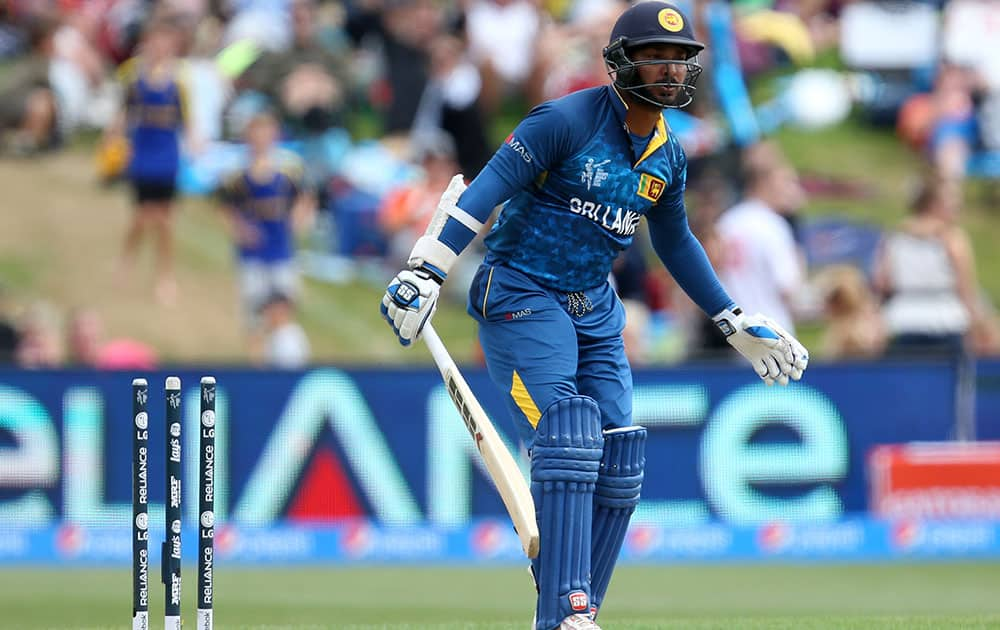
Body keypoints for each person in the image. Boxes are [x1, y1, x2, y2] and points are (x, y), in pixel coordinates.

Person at [380, 3, 809, 628]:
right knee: (567, 434)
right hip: (523, 293)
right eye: (654, 57)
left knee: (618, 455)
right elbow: (487, 188)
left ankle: (576, 611)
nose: (668, 71)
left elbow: (675, 240)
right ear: (618, 62)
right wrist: (428, 267)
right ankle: (562, 608)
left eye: (678, 59)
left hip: (594, 306)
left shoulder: (668, 155)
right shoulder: (565, 120)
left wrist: (730, 317)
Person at [108, 15, 197, 305]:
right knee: (141, 215)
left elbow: (187, 120)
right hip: (142, 154)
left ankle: (164, 276)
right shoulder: (134, 76)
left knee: (165, 220)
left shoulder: (180, 80)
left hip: (167, 156)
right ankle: (126, 260)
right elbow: (125, 111)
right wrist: (114, 138)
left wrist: (195, 144)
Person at [219, 110, 315, 340]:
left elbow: (305, 196)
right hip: (252, 254)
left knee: (284, 308)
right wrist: (239, 229)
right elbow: (224, 205)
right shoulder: (237, 172)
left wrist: (298, 219)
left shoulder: (288, 167)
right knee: (254, 314)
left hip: (282, 250)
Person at [874, 176, 984, 356]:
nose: (957, 206)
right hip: (947, 322)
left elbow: (882, 283)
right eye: (952, 201)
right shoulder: (952, 238)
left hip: (902, 321)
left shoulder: (895, 237)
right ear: (934, 204)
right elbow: (965, 288)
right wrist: (977, 325)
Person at [717, 142, 807, 334]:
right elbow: (789, 288)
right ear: (766, 182)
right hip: (772, 333)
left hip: (730, 333)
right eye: (786, 181)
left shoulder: (726, 222)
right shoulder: (773, 225)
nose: (792, 190)